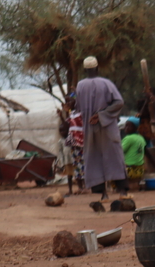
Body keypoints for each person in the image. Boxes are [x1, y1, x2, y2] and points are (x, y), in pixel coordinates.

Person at [75, 56, 129, 200]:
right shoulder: (107, 83)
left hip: (89, 127)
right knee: (114, 156)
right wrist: (102, 115)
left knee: (93, 157)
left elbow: (78, 107)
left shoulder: (80, 85)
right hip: (107, 126)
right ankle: (122, 191)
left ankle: (103, 194)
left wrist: (95, 116)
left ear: (85, 70)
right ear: (97, 68)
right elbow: (118, 102)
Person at [62, 94, 86, 193]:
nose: (68, 103)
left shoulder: (82, 112)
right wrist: (65, 112)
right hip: (73, 142)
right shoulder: (72, 113)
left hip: (81, 141)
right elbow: (67, 124)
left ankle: (85, 187)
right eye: (67, 102)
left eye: (70, 101)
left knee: (83, 164)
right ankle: (80, 187)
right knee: (76, 165)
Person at [122, 118, 146, 189]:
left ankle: (119, 188)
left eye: (129, 126)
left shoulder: (129, 138)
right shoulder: (141, 138)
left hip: (129, 171)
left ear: (136, 128)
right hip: (140, 171)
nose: (126, 128)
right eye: (125, 126)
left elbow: (119, 152)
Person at [54, 121, 76, 195]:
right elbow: (60, 153)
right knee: (69, 176)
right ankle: (70, 190)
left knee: (78, 174)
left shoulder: (71, 138)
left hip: (74, 160)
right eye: (60, 131)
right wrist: (62, 162)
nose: (62, 132)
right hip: (67, 161)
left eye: (64, 130)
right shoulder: (60, 141)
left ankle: (81, 187)